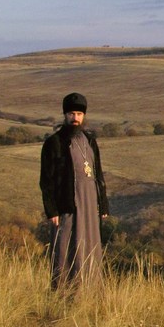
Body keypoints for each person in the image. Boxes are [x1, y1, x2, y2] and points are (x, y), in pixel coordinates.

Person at [39, 92, 109, 289]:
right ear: (65, 115)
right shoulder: (54, 142)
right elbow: (46, 180)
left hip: (90, 205)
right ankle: (64, 293)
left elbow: (98, 174)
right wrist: (51, 210)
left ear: (84, 116)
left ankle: (90, 293)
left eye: (79, 114)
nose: (75, 118)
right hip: (67, 204)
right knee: (65, 248)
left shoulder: (90, 141)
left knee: (90, 246)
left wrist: (103, 204)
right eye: (71, 114)